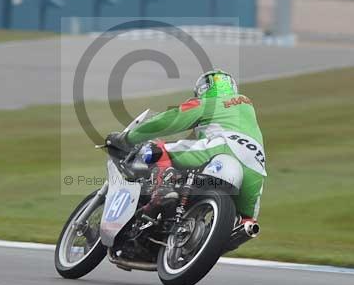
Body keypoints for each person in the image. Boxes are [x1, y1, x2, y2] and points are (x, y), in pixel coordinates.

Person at [109, 70, 266, 224]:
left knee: (158, 150)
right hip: (256, 166)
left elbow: (168, 121)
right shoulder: (245, 105)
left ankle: (163, 192)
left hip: (223, 147)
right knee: (246, 223)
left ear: (204, 89)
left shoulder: (206, 103)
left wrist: (128, 138)